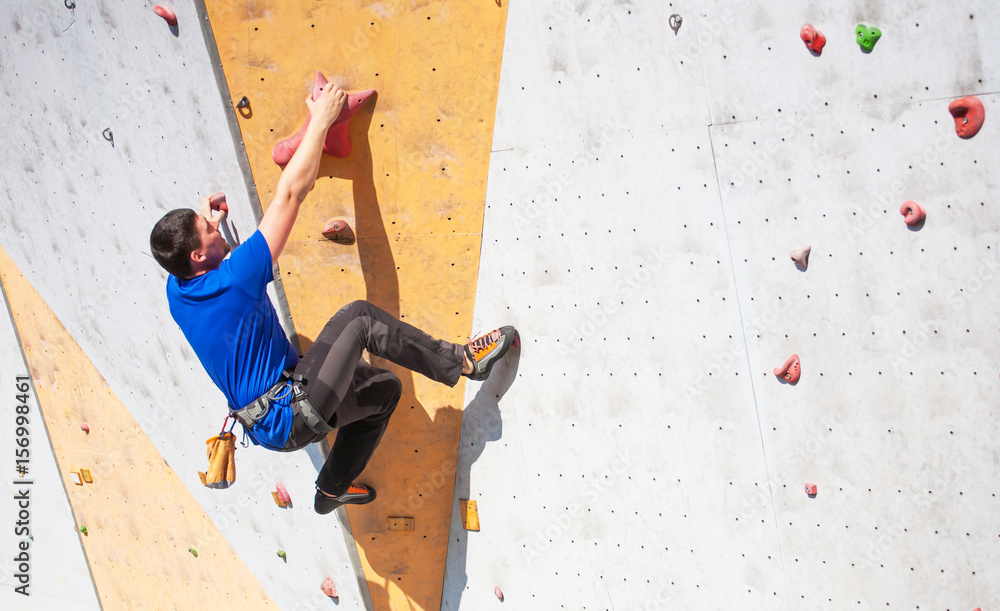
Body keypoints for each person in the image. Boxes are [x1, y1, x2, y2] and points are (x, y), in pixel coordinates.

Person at [149, 80, 517, 514]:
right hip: (290, 409)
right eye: (210, 231)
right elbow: (290, 193)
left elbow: (215, 270)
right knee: (359, 318)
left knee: (384, 392)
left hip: (270, 425)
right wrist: (322, 119)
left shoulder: (177, 289)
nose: (217, 230)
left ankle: (330, 491)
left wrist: (214, 229)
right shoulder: (233, 279)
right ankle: (463, 362)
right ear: (197, 255)